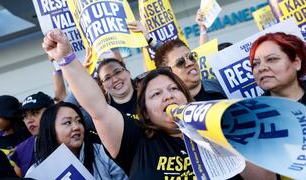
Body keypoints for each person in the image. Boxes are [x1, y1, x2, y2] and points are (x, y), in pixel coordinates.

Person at [41, 29, 276, 179]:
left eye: (174, 89)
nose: (168, 96)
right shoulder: (136, 141)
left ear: (188, 98)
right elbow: (97, 108)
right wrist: (66, 59)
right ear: (145, 112)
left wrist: (233, 139)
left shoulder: (214, 130)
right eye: (155, 94)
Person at [27, 101, 127, 179]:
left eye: (79, 121)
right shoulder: (36, 172)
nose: (76, 127)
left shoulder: (102, 153)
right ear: (50, 130)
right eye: (67, 122)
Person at [154, 38, 226, 101]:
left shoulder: (223, 84)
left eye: (191, 57)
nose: (190, 63)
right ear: (168, 74)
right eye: (180, 62)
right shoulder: (170, 108)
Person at [249, 32, 306, 105]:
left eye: (271, 59)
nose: (261, 68)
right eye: (255, 63)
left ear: (296, 63)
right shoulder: (254, 113)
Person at [10, 92, 54, 177]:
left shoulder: (69, 136)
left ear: (52, 112)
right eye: (25, 116)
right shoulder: (22, 149)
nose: (29, 120)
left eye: (35, 113)